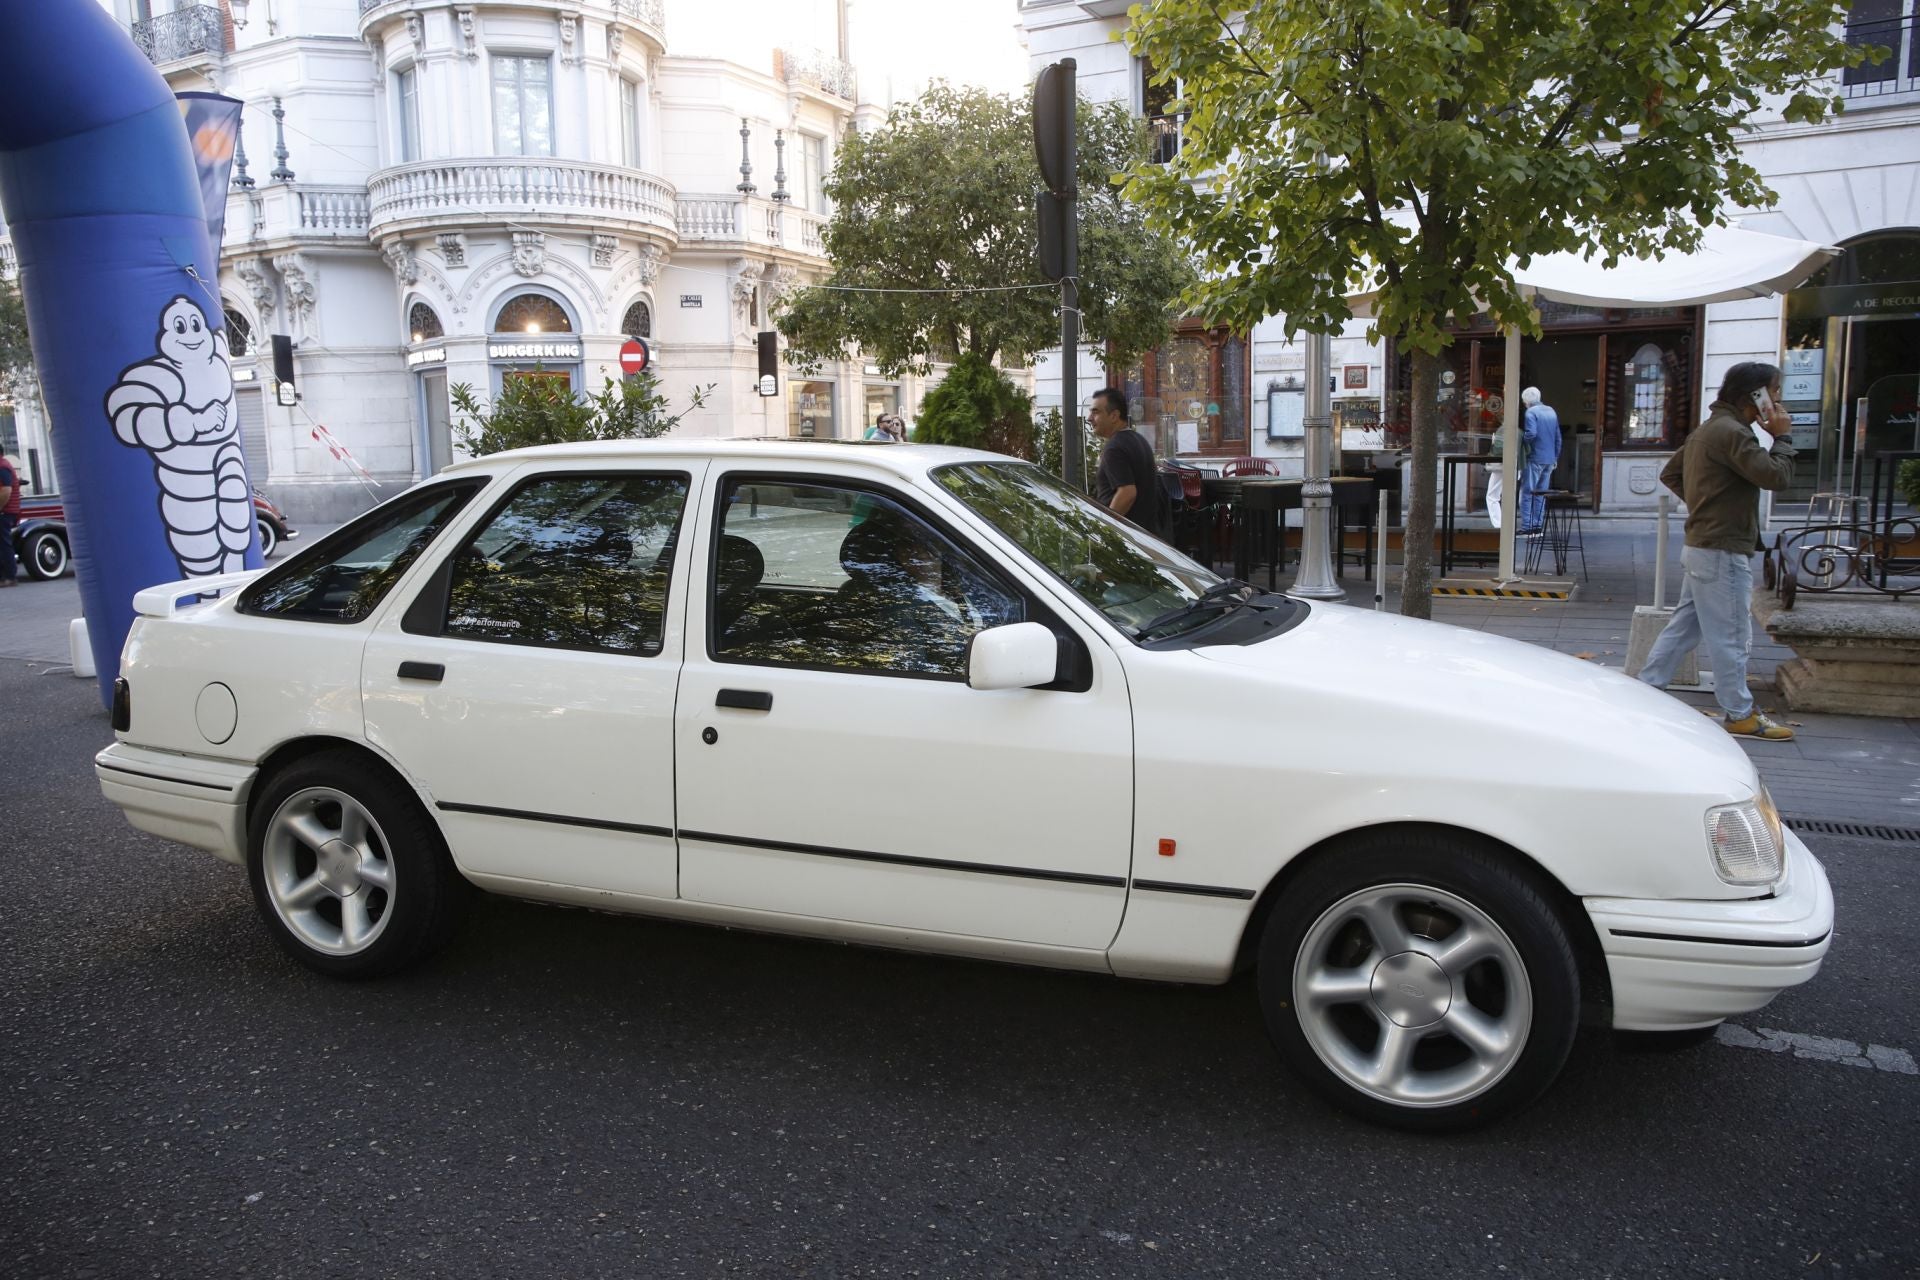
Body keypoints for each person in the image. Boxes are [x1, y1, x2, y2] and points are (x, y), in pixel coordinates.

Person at [1637, 362, 1797, 740]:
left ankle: (1645, 690)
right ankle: (1740, 713)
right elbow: (1777, 477)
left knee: (1683, 628)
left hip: (1704, 546)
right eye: (1775, 392)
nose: (1779, 401)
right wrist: (1784, 437)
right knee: (1732, 635)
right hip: (1722, 549)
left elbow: (1671, 474)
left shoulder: (1710, 430)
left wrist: (1707, 504)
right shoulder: (1732, 433)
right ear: (1755, 396)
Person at [1088, 387, 1164, 538]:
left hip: (1126, 541)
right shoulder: (1139, 440)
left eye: (1096, 412)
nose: (1089, 418)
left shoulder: (1114, 448)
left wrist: (1104, 531)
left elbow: (1127, 493)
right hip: (1146, 537)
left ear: (1114, 416)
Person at [1517, 387, 1561, 535]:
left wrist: (1521, 442)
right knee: (1541, 493)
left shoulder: (1530, 412)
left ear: (1526, 401)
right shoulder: (1551, 411)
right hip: (1549, 459)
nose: (1524, 404)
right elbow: (1558, 437)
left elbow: (1531, 433)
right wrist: (1555, 457)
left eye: (1524, 402)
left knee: (1528, 492)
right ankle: (1537, 525)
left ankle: (1527, 527)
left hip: (1535, 457)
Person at [0, 452, 21, 586]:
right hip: (5, 511)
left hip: (4, 512)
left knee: (3, 544)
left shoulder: (2, 467)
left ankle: (9, 577)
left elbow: (6, 490)